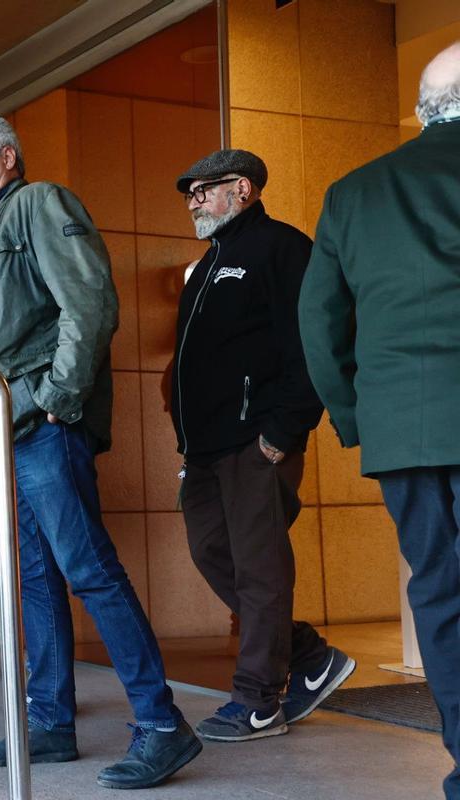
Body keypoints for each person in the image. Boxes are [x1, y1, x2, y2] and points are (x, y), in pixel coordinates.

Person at [0, 113, 201, 790]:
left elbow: (89, 303)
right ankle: (49, 723)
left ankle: (164, 726)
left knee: (89, 570)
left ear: (7, 158)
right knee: (33, 581)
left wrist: (58, 396)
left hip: (42, 425)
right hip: (6, 434)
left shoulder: (37, 203)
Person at [298, 43, 460, 798]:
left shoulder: (355, 191)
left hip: (403, 430)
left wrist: (356, 417)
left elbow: (318, 320)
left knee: (438, 591)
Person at [171, 149, 353, 742]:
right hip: (204, 451)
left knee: (259, 569)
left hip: (256, 443)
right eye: (189, 192)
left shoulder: (281, 248)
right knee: (211, 553)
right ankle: (308, 655)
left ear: (242, 188)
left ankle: (259, 701)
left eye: (204, 189)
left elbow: (312, 344)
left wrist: (283, 432)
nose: (193, 199)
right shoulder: (206, 265)